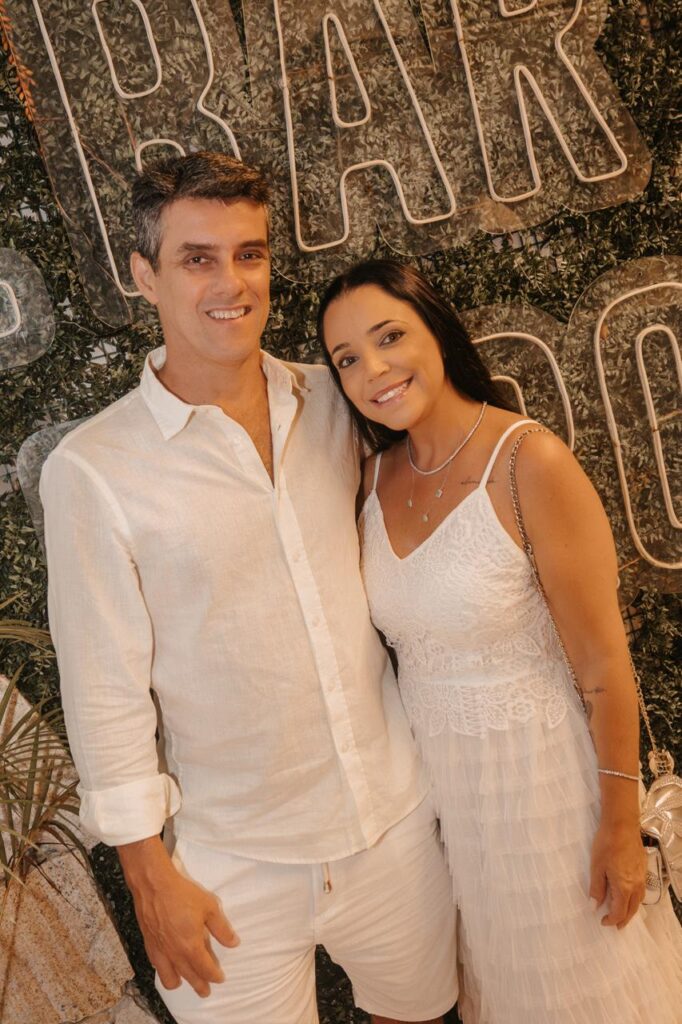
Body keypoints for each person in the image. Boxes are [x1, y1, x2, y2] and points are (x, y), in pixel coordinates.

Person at [39, 156, 459, 1024]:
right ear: (144, 275)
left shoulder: (338, 400)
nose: (231, 283)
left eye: (250, 254)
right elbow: (104, 690)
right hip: (230, 865)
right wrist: (149, 878)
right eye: (197, 259)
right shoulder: (93, 469)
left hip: (393, 824)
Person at [318, 259, 682, 1023]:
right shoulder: (370, 479)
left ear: (437, 331)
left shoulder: (527, 460)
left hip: (551, 798)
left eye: (390, 337)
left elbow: (604, 666)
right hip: (447, 814)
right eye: (347, 358)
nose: (373, 370)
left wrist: (619, 828)